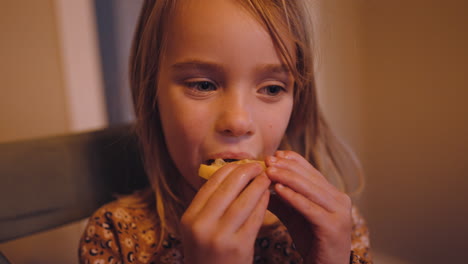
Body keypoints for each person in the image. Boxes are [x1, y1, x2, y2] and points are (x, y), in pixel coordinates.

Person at [79, 0, 372, 263]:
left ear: (298, 104)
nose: (238, 121)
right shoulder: (114, 236)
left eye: (271, 88)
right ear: (151, 96)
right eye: (203, 85)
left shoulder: (333, 226)